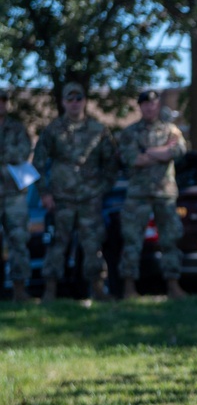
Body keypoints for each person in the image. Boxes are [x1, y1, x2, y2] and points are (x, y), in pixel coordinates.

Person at [32, 82, 119, 302]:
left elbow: (111, 164)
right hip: (61, 200)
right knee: (57, 245)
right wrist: (44, 193)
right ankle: (50, 292)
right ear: (63, 102)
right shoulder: (52, 130)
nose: (74, 103)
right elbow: (38, 164)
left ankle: (98, 289)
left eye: (78, 98)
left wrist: (102, 189)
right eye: (70, 99)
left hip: (90, 199)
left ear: (85, 101)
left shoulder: (99, 131)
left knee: (93, 244)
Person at [115, 89, 189, 300]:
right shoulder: (130, 132)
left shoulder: (171, 130)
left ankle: (173, 285)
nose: (150, 107)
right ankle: (129, 287)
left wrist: (149, 152)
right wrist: (162, 152)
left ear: (158, 105)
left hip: (164, 194)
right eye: (146, 104)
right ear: (140, 106)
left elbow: (178, 151)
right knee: (132, 240)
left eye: (154, 103)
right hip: (138, 195)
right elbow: (133, 159)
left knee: (170, 239)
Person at [0, 88, 33, 303]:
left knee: (19, 242)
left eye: (3, 101)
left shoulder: (17, 128)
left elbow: (23, 153)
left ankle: (20, 291)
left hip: (13, 196)